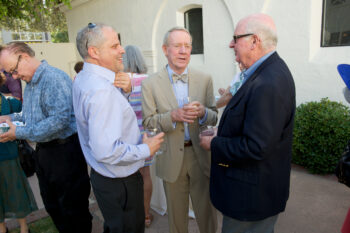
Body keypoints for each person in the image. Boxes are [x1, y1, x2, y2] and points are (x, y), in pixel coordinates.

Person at [200, 13, 296, 233]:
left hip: (251, 199)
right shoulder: (263, 73)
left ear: (255, 41)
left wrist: (214, 144)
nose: (230, 43)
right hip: (252, 193)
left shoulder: (268, 82)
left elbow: (256, 146)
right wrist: (221, 131)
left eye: (236, 37)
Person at [73, 23, 164, 233]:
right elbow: (107, 151)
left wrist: (122, 93)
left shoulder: (84, 78)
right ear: (93, 52)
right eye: (115, 46)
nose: (122, 50)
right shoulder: (101, 90)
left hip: (104, 177)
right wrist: (146, 150)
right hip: (120, 181)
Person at [0, 42, 92, 233]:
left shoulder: (54, 78)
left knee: (73, 211)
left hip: (65, 153)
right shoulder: (31, 83)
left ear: (24, 57)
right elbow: (29, 117)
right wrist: (9, 118)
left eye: (14, 71)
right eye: (10, 74)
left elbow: (58, 121)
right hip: (44, 153)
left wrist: (18, 133)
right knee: (53, 206)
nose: (14, 77)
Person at [142, 26, 218, 233]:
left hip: (200, 154)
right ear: (165, 49)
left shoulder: (205, 79)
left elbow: (214, 115)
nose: (184, 51)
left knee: (207, 214)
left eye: (187, 46)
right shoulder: (150, 84)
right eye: (177, 46)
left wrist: (203, 112)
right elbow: (148, 122)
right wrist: (172, 117)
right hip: (170, 157)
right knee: (176, 218)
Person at [0, 71, 37, 233]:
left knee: (16, 192)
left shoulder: (10, 103)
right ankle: (2, 228)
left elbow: (28, 118)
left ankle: (24, 228)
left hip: (9, 155)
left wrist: (13, 126)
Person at [122, 45, 154, 227]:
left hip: (127, 135)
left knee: (130, 177)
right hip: (146, 135)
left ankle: (134, 216)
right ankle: (147, 215)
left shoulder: (121, 80)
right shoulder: (149, 80)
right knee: (146, 175)